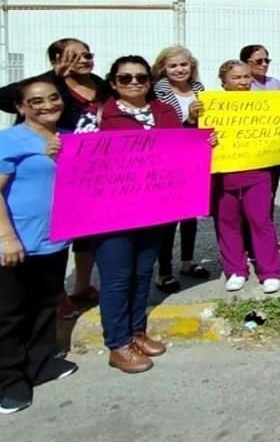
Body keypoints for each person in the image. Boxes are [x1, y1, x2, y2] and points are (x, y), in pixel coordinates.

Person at [0, 76, 77, 416]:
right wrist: (6, 237)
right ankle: (5, 383)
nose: (48, 105)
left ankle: (41, 362)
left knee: (44, 307)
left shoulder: (70, 141)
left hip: (52, 243)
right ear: (20, 107)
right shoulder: (2, 142)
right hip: (7, 246)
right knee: (6, 316)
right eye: (37, 101)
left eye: (53, 97)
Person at [75, 55, 181, 374]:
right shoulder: (96, 115)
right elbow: (79, 160)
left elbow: (179, 150)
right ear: (113, 83)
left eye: (140, 77)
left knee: (142, 272)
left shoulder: (164, 111)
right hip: (111, 212)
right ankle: (117, 344)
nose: (134, 83)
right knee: (117, 277)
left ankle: (137, 332)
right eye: (126, 78)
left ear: (149, 81)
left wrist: (203, 143)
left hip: (154, 208)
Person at [0, 38, 103, 320]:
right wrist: (53, 76)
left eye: (87, 54)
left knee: (87, 231)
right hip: (50, 164)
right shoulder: (51, 86)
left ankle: (82, 285)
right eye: (74, 56)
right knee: (56, 228)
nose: (84, 60)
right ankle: (57, 294)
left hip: (89, 169)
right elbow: (0, 98)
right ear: (56, 60)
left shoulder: (100, 84)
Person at [211, 60, 280, 293]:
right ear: (224, 82)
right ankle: (235, 270)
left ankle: (270, 271)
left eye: (246, 78)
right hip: (224, 174)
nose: (243, 82)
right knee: (227, 223)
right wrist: (195, 121)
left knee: (261, 221)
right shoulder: (211, 106)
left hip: (257, 172)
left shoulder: (263, 104)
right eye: (237, 78)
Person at [151, 46, 210, 294]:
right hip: (167, 161)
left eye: (184, 65)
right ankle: (163, 271)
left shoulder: (199, 89)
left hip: (194, 158)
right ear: (163, 68)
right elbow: (165, 128)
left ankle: (187, 261)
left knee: (190, 215)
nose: (179, 69)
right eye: (173, 65)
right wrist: (188, 120)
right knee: (167, 219)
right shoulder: (158, 92)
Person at [241, 44, 280, 223]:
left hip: (273, 149)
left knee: (270, 192)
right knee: (249, 194)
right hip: (250, 149)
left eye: (267, 60)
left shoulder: (275, 83)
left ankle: (266, 232)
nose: (264, 64)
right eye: (259, 60)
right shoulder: (242, 85)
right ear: (246, 63)